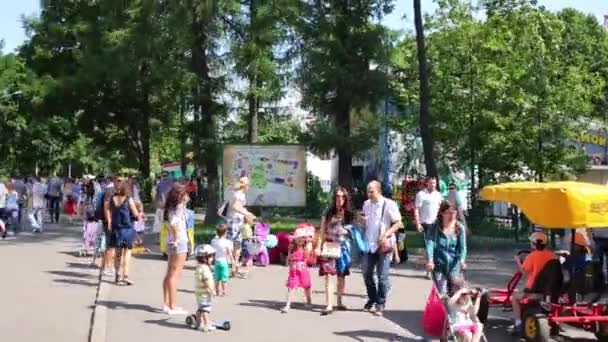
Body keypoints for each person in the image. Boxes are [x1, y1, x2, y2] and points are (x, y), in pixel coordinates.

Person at [359, 180, 403, 316]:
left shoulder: (389, 204)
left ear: (378, 190)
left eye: (371, 192)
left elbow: (398, 223)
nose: (369, 194)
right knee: (366, 273)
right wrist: (362, 221)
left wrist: (386, 234)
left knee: (382, 277)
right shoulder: (366, 204)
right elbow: (364, 220)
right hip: (369, 244)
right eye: (368, 191)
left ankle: (380, 302)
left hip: (383, 245)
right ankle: (372, 297)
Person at [315, 186, 355, 315]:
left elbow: (355, 230)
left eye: (342, 197)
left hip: (343, 249)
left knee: (341, 277)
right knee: (329, 275)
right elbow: (321, 231)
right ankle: (329, 305)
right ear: (334, 198)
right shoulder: (328, 213)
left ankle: (339, 301)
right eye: (337, 196)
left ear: (346, 199)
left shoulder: (349, 214)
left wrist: (348, 230)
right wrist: (318, 246)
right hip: (330, 247)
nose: (340, 199)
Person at [509, 232, 557, 334]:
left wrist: (518, 260)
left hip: (534, 291)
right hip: (550, 291)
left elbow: (524, 272)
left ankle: (518, 323)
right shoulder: (552, 255)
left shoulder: (531, 256)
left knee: (515, 297)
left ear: (533, 244)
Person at [426, 201, 468, 296]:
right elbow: (430, 244)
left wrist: (462, 260)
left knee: (456, 293)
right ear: (442, 213)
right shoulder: (435, 227)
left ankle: (452, 310)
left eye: (454, 212)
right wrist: (430, 260)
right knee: (442, 294)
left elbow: (462, 247)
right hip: (439, 265)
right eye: (449, 213)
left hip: (454, 265)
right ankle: (445, 310)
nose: (452, 215)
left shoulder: (459, 228)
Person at [104, 180, 141, 285]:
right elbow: (136, 214)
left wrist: (110, 221)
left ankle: (117, 276)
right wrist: (139, 214)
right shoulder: (129, 200)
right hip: (127, 229)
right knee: (127, 253)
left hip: (116, 229)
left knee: (118, 253)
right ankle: (125, 276)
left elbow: (107, 209)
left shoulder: (112, 199)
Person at [162, 183, 191, 315]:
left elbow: (169, 223)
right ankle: (173, 306)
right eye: (185, 193)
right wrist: (177, 237)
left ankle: (166, 303)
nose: (188, 196)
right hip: (179, 243)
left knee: (169, 273)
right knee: (175, 275)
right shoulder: (178, 208)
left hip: (171, 242)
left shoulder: (170, 207)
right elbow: (174, 224)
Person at [226, 176, 256, 278]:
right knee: (234, 243)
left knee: (236, 244)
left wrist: (247, 213)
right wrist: (247, 214)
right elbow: (236, 207)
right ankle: (232, 266)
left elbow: (238, 207)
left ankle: (234, 266)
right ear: (245, 185)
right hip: (234, 221)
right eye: (248, 184)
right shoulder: (240, 195)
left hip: (234, 221)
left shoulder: (234, 193)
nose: (249, 186)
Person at [281, 227, 313, 313]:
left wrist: (303, 262)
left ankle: (309, 301)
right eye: (298, 238)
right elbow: (289, 257)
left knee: (306, 285)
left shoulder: (305, 248)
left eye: (302, 238)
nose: (300, 240)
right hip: (293, 270)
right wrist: (291, 263)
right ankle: (287, 305)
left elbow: (307, 258)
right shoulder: (291, 247)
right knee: (291, 287)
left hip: (302, 269)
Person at [193, 244, 217, 332]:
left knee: (201, 308)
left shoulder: (199, 267)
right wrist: (211, 290)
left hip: (199, 292)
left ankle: (197, 323)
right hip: (204, 292)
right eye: (210, 257)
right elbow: (206, 280)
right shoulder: (205, 269)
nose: (212, 259)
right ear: (204, 258)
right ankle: (207, 324)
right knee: (206, 309)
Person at [211, 225, 234, 297]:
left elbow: (212, 252)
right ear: (225, 233)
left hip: (216, 261)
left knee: (217, 277)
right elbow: (229, 252)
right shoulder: (227, 242)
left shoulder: (214, 241)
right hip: (224, 261)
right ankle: (224, 291)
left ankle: (217, 291)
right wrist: (232, 261)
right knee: (224, 277)